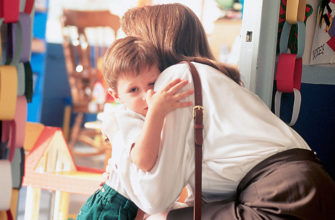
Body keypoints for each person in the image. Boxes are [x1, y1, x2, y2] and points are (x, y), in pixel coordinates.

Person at [103, 3, 335, 219]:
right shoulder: (210, 76)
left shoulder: (176, 80)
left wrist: (121, 157)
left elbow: (154, 197)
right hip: (309, 189)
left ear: (153, 42)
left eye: (133, 41)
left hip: (281, 198)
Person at [77, 36, 194, 219]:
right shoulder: (124, 117)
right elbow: (143, 160)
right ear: (116, 96)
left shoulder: (151, 116)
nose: (146, 95)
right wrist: (157, 112)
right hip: (111, 208)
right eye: (133, 90)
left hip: (137, 207)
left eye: (152, 84)